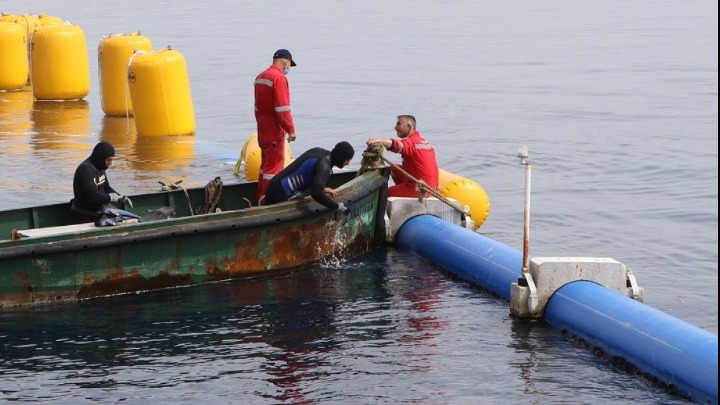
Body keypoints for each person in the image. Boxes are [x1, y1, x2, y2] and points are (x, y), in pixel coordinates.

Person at [254, 48, 298, 203]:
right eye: (288, 65)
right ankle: (268, 203)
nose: (288, 68)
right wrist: (291, 130)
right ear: (285, 60)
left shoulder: (260, 77)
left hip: (263, 131)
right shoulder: (279, 79)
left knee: (264, 167)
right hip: (274, 132)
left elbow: (257, 108)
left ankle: (259, 197)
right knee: (273, 170)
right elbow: (282, 110)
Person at [263, 141, 355, 213]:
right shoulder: (325, 165)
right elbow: (315, 193)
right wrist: (337, 207)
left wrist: (321, 188)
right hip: (280, 193)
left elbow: (307, 173)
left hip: (274, 185)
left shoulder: (319, 152)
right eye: (347, 160)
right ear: (341, 157)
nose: (348, 163)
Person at [366, 114, 439, 197]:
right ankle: (401, 190)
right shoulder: (422, 140)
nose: (395, 127)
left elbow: (398, 145)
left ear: (408, 127)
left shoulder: (412, 142)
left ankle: (403, 192)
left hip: (421, 188)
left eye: (399, 124)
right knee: (393, 168)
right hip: (430, 185)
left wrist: (379, 140)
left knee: (382, 193)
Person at [70, 141, 133, 224]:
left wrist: (121, 197)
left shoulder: (100, 167)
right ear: (100, 157)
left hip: (98, 209)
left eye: (111, 160)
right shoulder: (86, 169)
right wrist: (112, 198)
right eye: (108, 160)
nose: (110, 163)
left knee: (125, 214)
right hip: (84, 213)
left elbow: (106, 188)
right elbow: (93, 197)